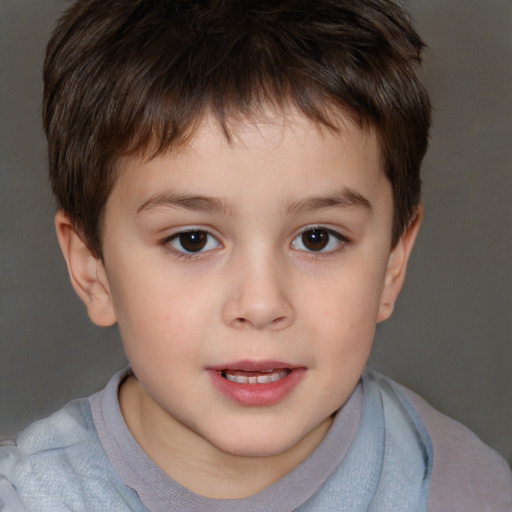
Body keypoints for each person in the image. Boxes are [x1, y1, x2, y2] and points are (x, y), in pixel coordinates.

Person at [0, 0, 511, 510]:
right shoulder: (29, 498)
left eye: (317, 238)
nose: (262, 304)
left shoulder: (459, 490)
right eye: (192, 240)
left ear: (393, 264)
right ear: (92, 268)